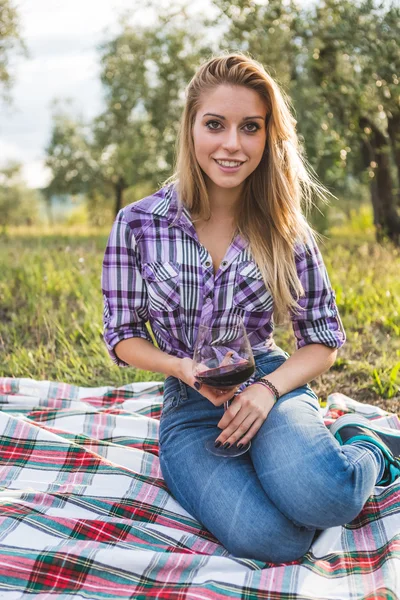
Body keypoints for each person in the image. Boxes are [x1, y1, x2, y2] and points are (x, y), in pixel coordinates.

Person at [102, 52, 400, 563]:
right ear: (191, 128)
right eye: (215, 124)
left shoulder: (284, 227)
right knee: (274, 540)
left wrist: (266, 389)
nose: (232, 144)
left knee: (327, 498)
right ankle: (259, 466)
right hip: (189, 404)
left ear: (268, 136)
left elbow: (323, 339)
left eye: (251, 127)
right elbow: (122, 336)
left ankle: (368, 446)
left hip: (269, 381)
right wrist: (180, 367)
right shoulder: (138, 224)